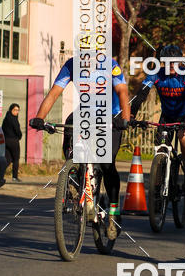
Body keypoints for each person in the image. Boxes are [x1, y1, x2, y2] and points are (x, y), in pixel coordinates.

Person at [30, 56, 130, 239]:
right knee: (69, 127)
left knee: (107, 164)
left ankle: (114, 212)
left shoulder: (110, 65)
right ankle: (75, 174)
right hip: (85, 113)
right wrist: (39, 118)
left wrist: (124, 119)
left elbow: (122, 91)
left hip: (111, 115)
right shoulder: (71, 65)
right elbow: (54, 93)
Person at [130, 44, 185, 187]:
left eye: (174, 62)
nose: (171, 65)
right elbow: (141, 95)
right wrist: (132, 115)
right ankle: (159, 179)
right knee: (160, 145)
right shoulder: (156, 74)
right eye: (167, 62)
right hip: (168, 114)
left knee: (183, 137)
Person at [2, 103, 22, 182]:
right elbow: (17, 130)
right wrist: (19, 136)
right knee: (16, 159)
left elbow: (2, 129)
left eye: (18, 110)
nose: (16, 112)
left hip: (6, 141)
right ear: (11, 110)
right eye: (15, 110)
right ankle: (14, 177)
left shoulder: (6, 118)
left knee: (8, 159)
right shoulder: (13, 119)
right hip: (13, 142)